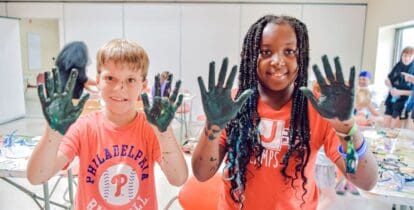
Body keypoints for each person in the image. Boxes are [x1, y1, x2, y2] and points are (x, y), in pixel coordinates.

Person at [191, 15, 378, 210]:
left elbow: (367, 181)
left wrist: (346, 127)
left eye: (289, 51)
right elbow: (202, 173)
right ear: (251, 57)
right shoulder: (233, 103)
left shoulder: (318, 109)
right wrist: (212, 126)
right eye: (265, 52)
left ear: (301, 57)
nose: (277, 61)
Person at [27, 39, 188, 209]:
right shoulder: (83, 127)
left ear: (144, 85)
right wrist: (53, 131)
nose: (120, 87)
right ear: (98, 81)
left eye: (131, 80)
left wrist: (164, 132)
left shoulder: (150, 128)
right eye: (110, 78)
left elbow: (178, 179)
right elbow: (37, 176)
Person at [383, 46, 414, 128]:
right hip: (392, 97)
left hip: (403, 101)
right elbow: (388, 79)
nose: (406, 58)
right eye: (404, 55)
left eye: (409, 56)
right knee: (385, 125)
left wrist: (400, 92)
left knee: (394, 128)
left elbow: (412, 92)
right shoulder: (398, 65)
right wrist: (390, 87)